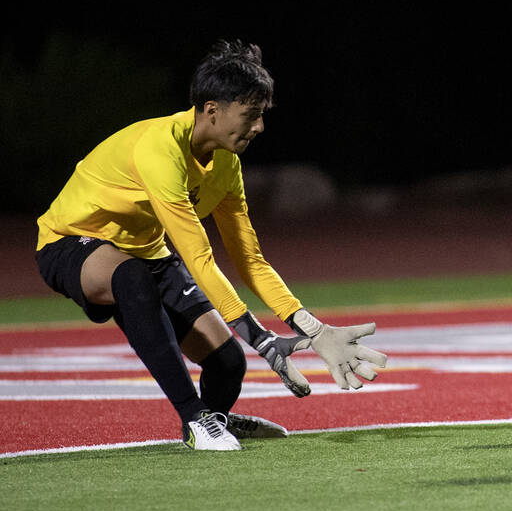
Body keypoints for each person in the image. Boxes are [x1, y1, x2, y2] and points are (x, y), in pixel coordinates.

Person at [35, 40, 387, 450]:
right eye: (250, 115)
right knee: (131, 277)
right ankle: (195, 418)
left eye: (260, 116)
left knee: (227, 362)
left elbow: (250, 260)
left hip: (144, 252)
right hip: (69, 245)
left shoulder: (226, 166)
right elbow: (199, 257)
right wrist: (261, 337)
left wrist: (310, 326)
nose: (258, 127)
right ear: (212, 110)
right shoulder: (159, 148)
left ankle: (216, 415)